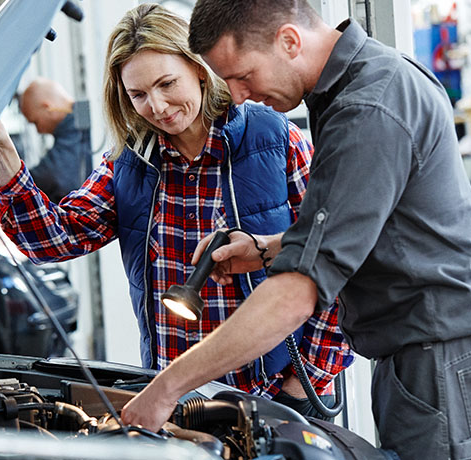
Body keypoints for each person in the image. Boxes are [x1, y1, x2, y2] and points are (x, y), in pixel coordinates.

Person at [121, 1, 471, 459]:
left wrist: (167, 388)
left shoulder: (367, 107)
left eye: (243, 75)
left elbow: (295, 294)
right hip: (421, 360)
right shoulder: (370, 81)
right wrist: (267, 249)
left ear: (289, 40)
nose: (239, 95)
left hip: (434, 362)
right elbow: (367, 223)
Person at [0, 3, 353, 421]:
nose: (157, 107)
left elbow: (332, 265)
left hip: (270, 395)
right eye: (138, 94)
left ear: (198, 67)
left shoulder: (276, 140)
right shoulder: (128, 163)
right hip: (172, 398)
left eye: (166, 83)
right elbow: (52, 240)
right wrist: (3, 153)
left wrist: (305, 383)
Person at [19, 77, 92, 203]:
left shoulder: (80, 127)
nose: (38, 131)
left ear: (47, 107)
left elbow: (54, 176)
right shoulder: (80, 118)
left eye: (35, 122)